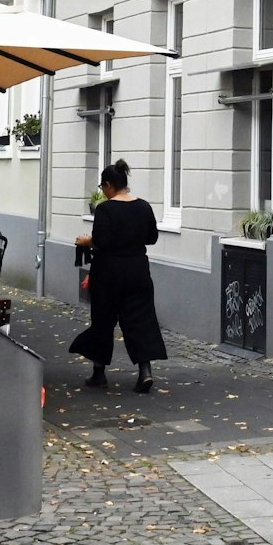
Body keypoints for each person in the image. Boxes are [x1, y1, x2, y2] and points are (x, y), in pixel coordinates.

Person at [69, 160, 166, 393]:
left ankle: (99, 374)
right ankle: (145, 372)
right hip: (138, 271)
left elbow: (101, 241)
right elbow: (152, 238)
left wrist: (86, 241)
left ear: (109, 185)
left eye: (103, 187)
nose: (103, 192)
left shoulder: (105, 209)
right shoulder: (144, 207)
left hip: (108, 272)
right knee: (140, 320)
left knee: (103, 321)